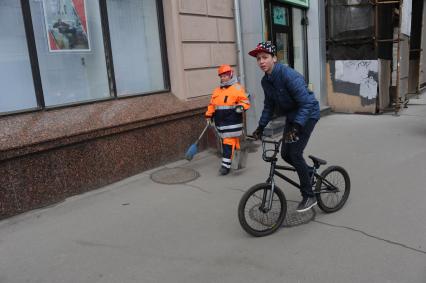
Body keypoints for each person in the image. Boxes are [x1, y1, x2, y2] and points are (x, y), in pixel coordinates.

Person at [248, 41, 320, 212]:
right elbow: (268, 106)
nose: (261, 62)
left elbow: (306, 104)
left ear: (274, 58)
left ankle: (309, 195)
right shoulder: (266, 81)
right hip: (292, 116)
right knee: (286, 154)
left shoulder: (289, 75)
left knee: (295, 153)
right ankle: (309, 172)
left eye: (265, 57)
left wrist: (296, 127)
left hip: (308, 114)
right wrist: (260, 127)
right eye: (258, 59)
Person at [205, 64, 251, 175]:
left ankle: (225, 165)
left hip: (232, 121)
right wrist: (208, 115)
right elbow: (212, 105)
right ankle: (237, 158)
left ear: (230, 75)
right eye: (221, 76)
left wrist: (240, 107)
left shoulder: (237, 88)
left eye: (225, 75)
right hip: (220, 123)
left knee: (228, 142)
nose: (223, 78)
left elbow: (245, 102)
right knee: (229, 141)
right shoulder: (217, 91)